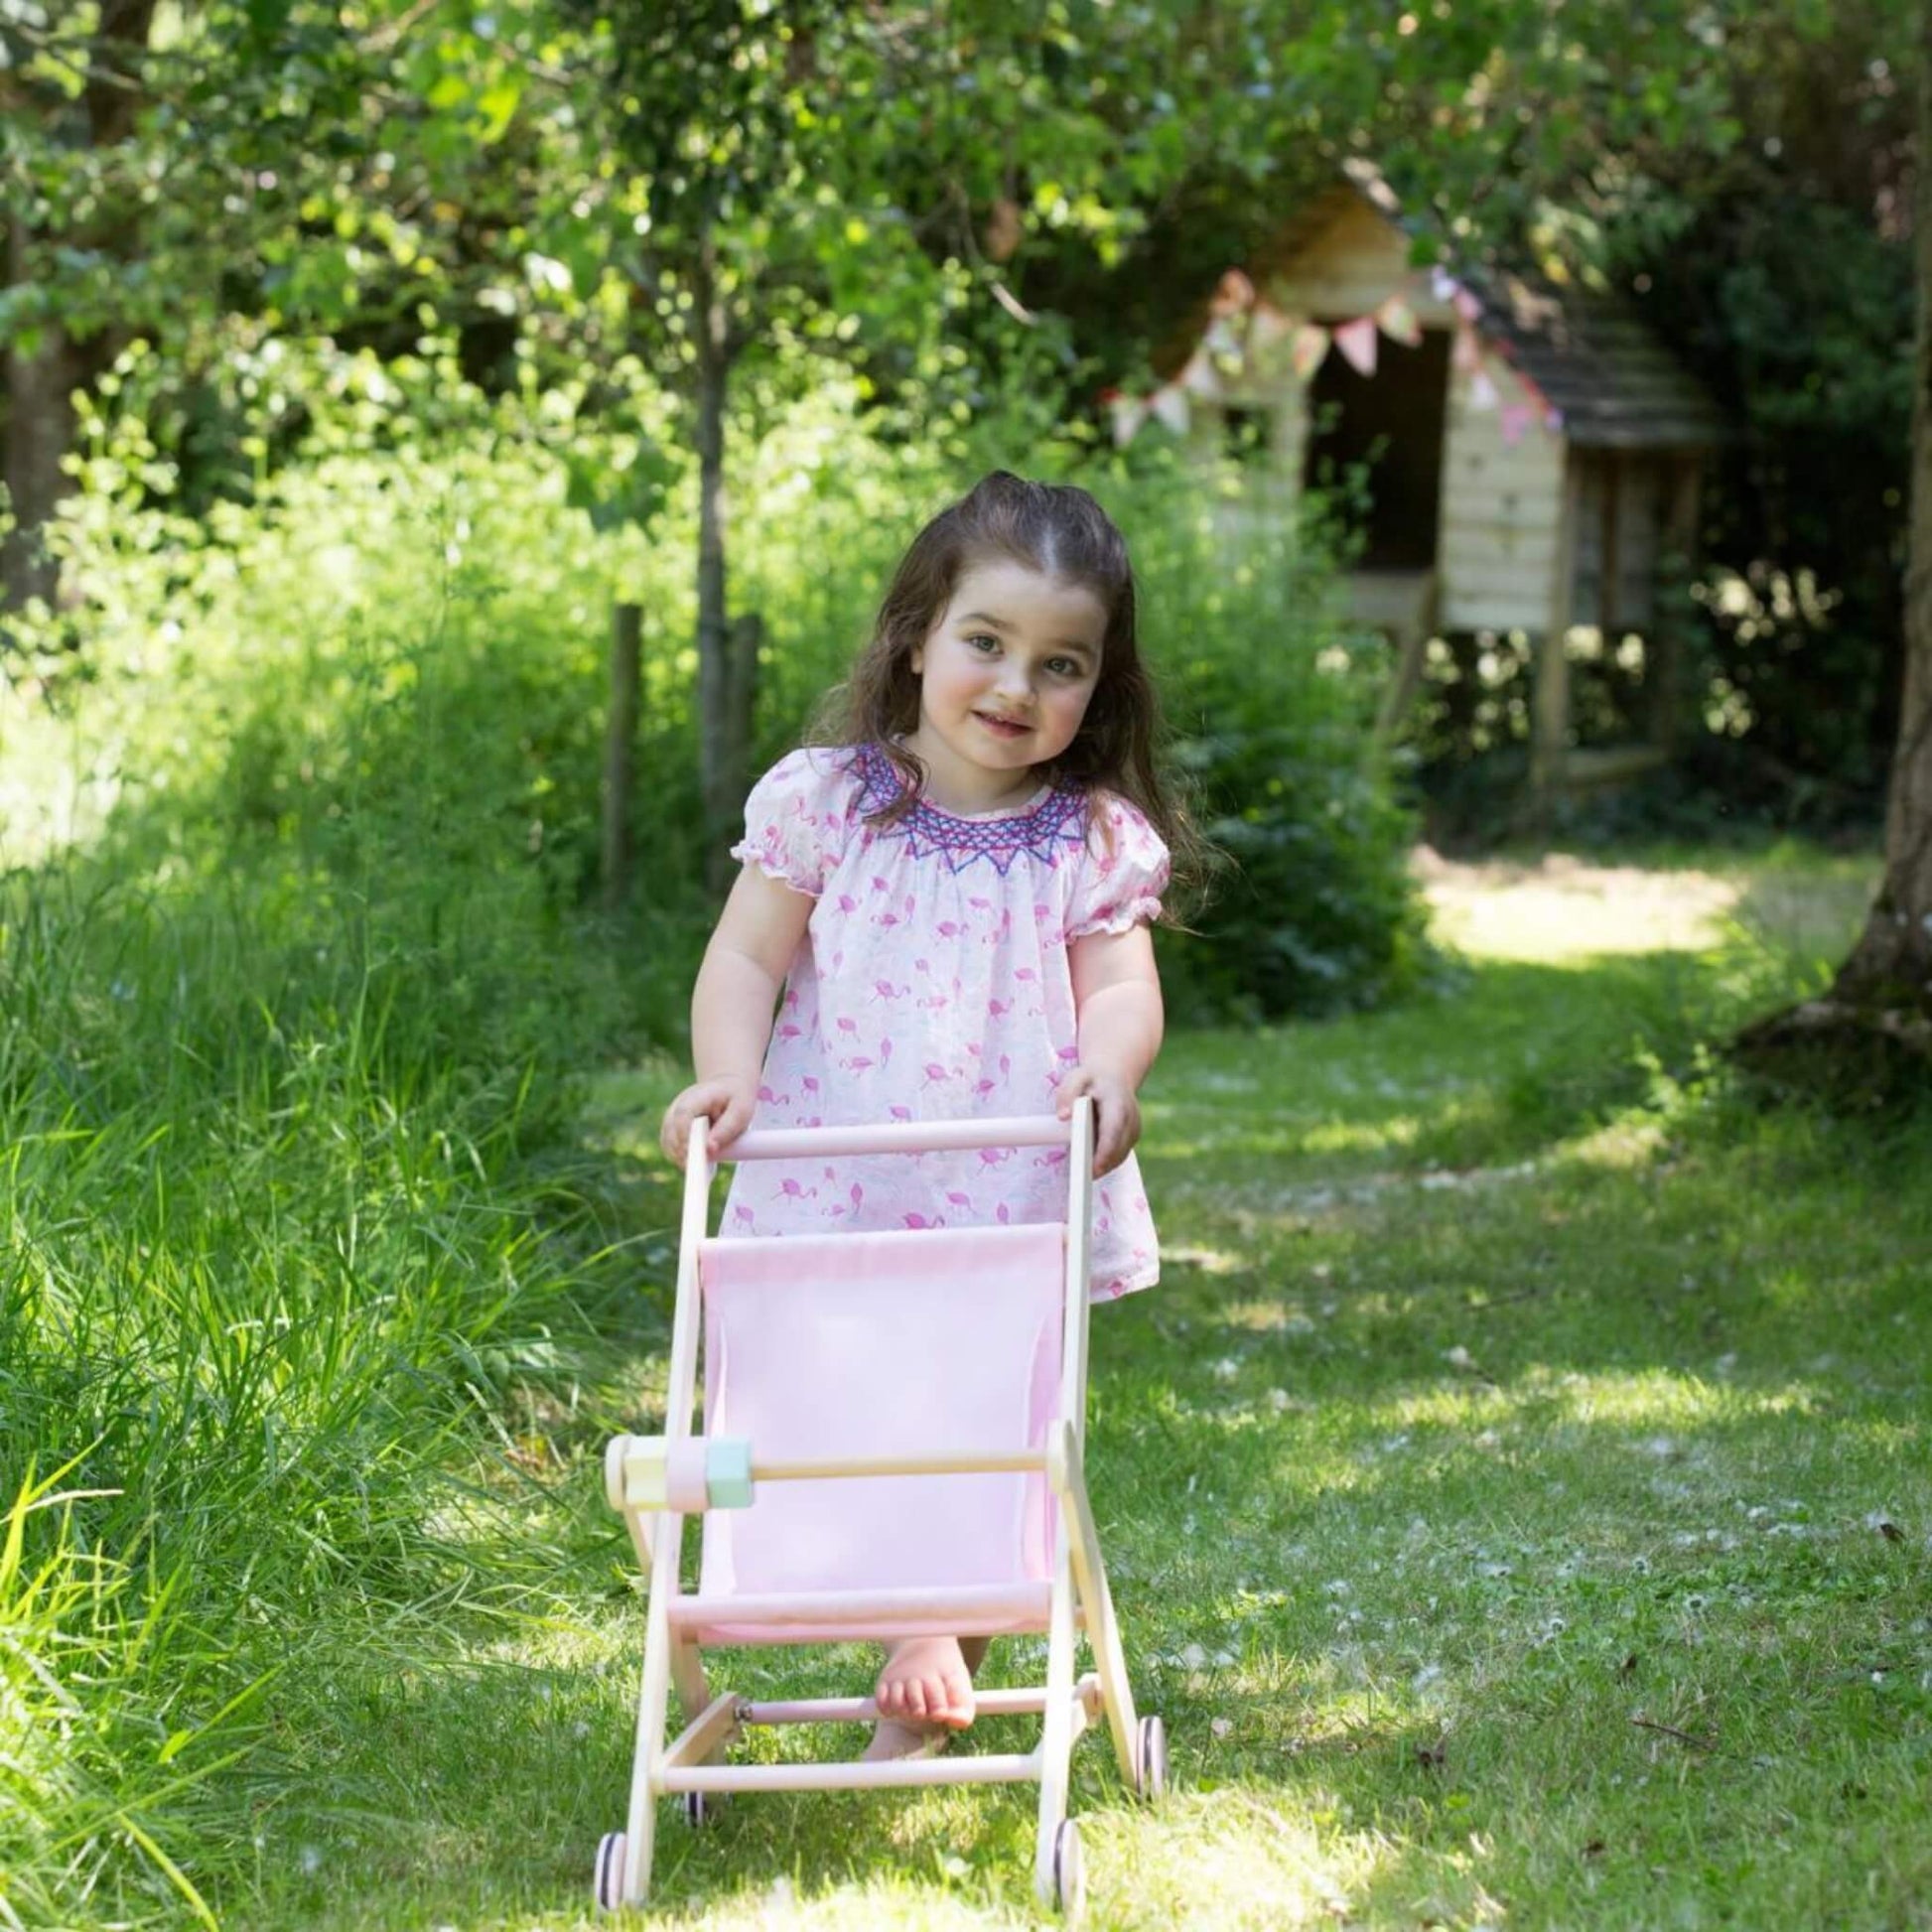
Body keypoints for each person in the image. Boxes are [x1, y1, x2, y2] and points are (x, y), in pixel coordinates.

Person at [658, 469, 1196, 1759]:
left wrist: (1110, 1072)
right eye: (986, 643)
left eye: (1059, 664)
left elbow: (1121, 987)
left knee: (985, 1410)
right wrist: (725, 1072)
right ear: (915, 639)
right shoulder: (830, 802)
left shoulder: (1085, 837)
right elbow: (745, 960)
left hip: (1004, 1178)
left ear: (1097, 687)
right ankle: (876, 1616)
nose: (1015, 688)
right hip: (835, 1169)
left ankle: (936, 1641)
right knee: (830, 1400)